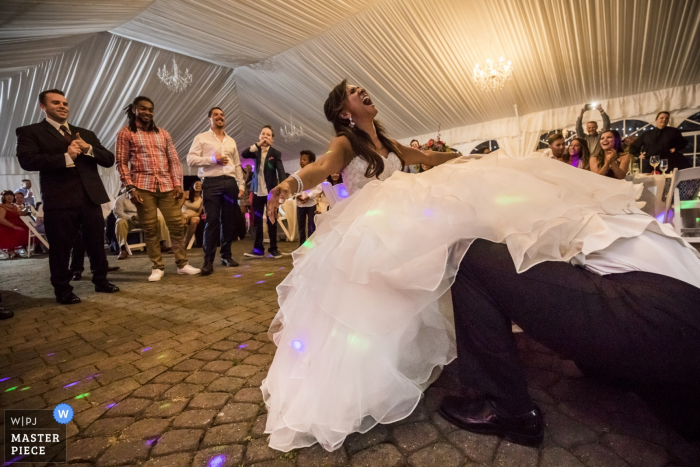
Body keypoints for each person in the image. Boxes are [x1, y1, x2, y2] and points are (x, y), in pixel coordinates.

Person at [260, 80, 700, 452]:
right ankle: (378, 371)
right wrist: (287, 184)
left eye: (363, 87)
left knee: (441, 270)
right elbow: (320, 168)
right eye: (354, 92)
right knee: (380, 294)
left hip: (403, 212)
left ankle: (462, 348)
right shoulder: (345, 142)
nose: (365, 92)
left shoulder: (387, 142)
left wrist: (472, 161)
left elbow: (427, 161)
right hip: (374, 222)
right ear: (343, 111)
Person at [16, 89, 119, 304]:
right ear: (43, 106)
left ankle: (101, 281)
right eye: (56, 103)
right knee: (61, 248)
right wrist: (66, 157)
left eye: (64, 103)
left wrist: (89, 148)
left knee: (95, 244)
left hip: (90, 197)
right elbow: (27, 161)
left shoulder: (85, 133)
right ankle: (63, 290)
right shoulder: (31, 131)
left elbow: (109, 159)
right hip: (59, 199)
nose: (63, 106)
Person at [115, 96, 200, 281]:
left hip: (167, 186)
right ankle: (157, 266)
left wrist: (178, 184)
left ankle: (182, 264)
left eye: (150, 109)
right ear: (134, 110)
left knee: (177, 225)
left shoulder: (163, 133)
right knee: (151, 228)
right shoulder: (125, 133)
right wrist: (130, 188)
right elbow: (121, 163)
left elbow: (174, 161)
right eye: (143, 109)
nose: (147, 112)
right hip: (142, 187)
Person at [186, 107, 246, 274]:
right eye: (215, 115)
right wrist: (213, 160)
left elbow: (236, 164)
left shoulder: (231, 141)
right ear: (209, 120)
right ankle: (208, 260)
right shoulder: (201, 138)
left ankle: (226, 255)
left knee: (228, 221)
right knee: (212, 220)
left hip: (230, 184)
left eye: (222, 115)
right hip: (211, 183)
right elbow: (190, 160)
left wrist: (241, 185)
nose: (220, 117)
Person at [240, 125, 286, 259]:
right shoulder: (255, 151)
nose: (265, 137)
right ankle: (258, 249)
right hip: (257, 191)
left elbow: (281, 171)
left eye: (268, 135)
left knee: (271, 220)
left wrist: (283, 187)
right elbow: (244, 154)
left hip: (271, 191)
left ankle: (274, 249)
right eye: (263, 134)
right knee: (257, 220)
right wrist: (258, 145)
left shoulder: (275, 153)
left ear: (272, 139)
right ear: (259, 137)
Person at [113, 189, 172, 260]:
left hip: (143, 218)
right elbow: (118, 213)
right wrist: (132, 217)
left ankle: (161, 243)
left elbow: (150, 209)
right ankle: (122, 249)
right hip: (129, 220)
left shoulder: (144, 197)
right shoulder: (120, 199)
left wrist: (143, 216)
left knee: (159, 219)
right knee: (120, 222)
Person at [295, 150, 322, 246]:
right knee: (301, 227)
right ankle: (301, 246)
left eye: (304, 159)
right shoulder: (296, 174)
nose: (301, 161)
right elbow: (293, 188)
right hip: (299, 205)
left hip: (311, 204)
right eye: (301, 159)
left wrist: (308, 196)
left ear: (311, 162)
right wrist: (297, 196)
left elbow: (319, 188)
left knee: (311, 226)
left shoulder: (315, 174)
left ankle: (310, 246)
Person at [0, 190, 29, 258]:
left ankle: (13, 250)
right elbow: (1, 219)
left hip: (16, 224)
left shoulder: (14, 206)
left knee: (28, 230)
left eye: (11, 195)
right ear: (3, 197)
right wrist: (13, 226)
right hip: (5, 226)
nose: (9, 197)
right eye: (7, 195)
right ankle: (10, 250)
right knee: (18, 232)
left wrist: (26, 209)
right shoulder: (2, 207)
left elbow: (19, 214)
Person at [182, 180, 203, 249]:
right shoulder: (186, 193)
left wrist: (188, 216)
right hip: (183, 213)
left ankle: (184, 243)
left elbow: (198, 213)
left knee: (194, 221)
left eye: (200, 184)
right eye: (196, 184)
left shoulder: (202, 199)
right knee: (180, 221)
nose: (198, 185)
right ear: (192, 185)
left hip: (193, 215)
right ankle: (176, 245)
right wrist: (183, 215)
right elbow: (179, 205)